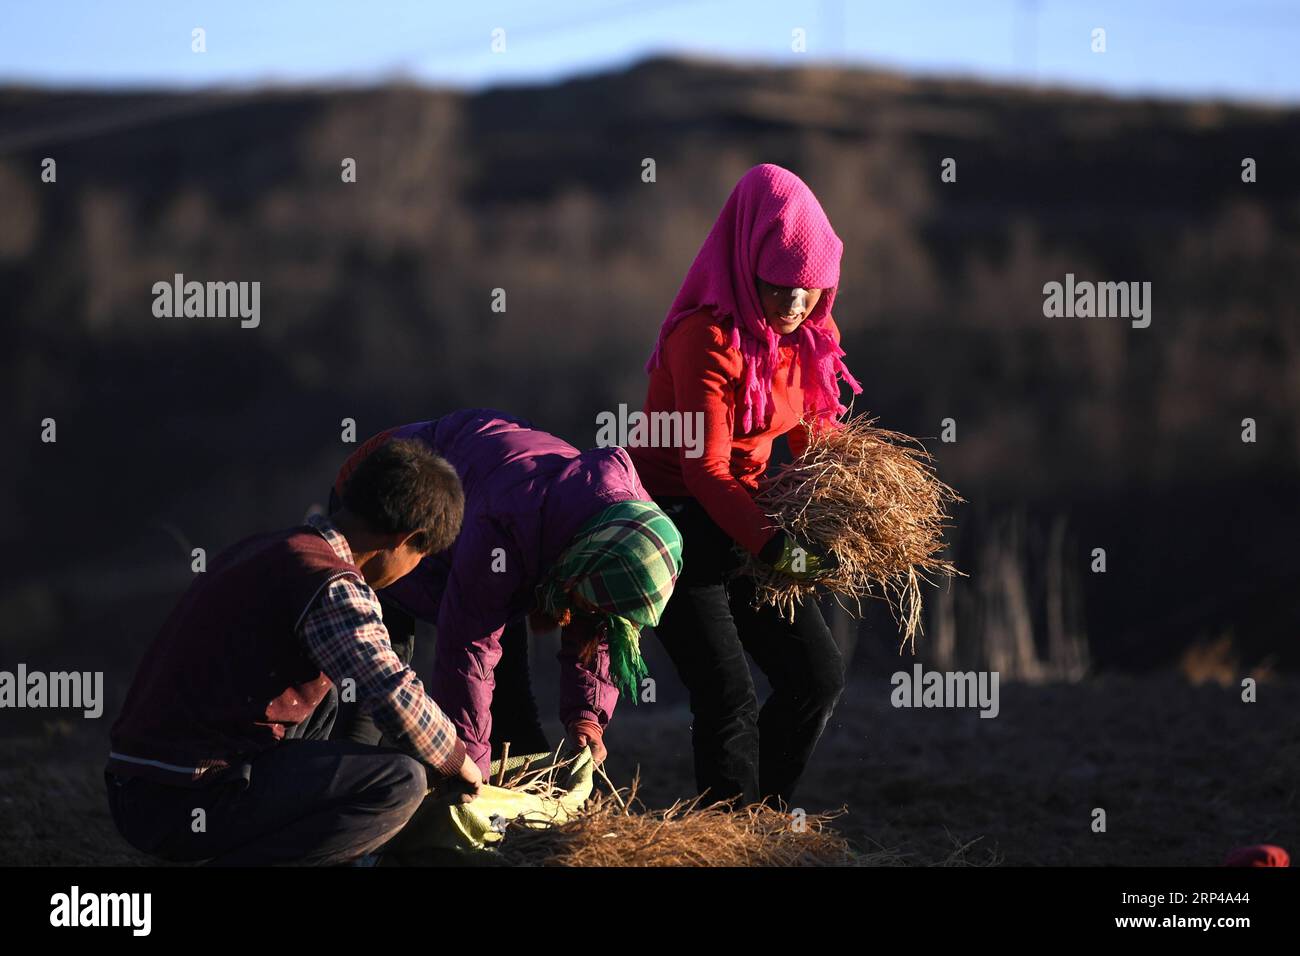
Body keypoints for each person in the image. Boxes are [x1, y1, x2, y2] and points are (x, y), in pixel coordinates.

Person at [106, 439, 478, 866]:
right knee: (399, 781)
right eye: (421, 556)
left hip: (139, 781)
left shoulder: (270, 548)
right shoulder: (329, 581)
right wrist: (456, 760)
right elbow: (387, 687)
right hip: (180, 794)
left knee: (331, 693)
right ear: (405, 539)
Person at [628, 163, 863, 806]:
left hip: (744, 516)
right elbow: (705, 471)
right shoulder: (703, 338)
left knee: (815, 675)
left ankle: (767, 819)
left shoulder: (810, 336)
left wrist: (847, 499)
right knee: (727, 694)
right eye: (778, 286)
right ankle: (729, 835)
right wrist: (781, 551)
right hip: (674, 523)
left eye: (809, 290)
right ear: (745, 265)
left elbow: (810, 432)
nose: (793, 305)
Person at [330, 409, 683, 777]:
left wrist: (587, 719)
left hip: (482, 517)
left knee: (509, 696)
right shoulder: (509, 524)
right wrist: (465, 771)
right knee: (377, 684)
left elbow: (600, 623)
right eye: (588, 599)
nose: (588, 612)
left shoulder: (628, 531)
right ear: (580, 566)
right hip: (384, 494)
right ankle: (347, 806)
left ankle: (519, 814)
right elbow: (467, 651)